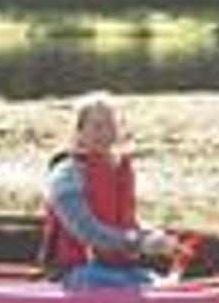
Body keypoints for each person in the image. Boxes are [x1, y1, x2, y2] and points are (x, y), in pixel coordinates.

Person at [38, 92, 180, 290]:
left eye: (111, 126)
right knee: (143, 288)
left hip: (112, 269)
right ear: (79, 131)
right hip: (74, 273)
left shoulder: (115, 168)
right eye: (97, 126)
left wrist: (154, 236)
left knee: (162, 284)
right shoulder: (66, 175)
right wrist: (139, 242)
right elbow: (89, 232)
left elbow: (125, 224)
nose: (105, 133)